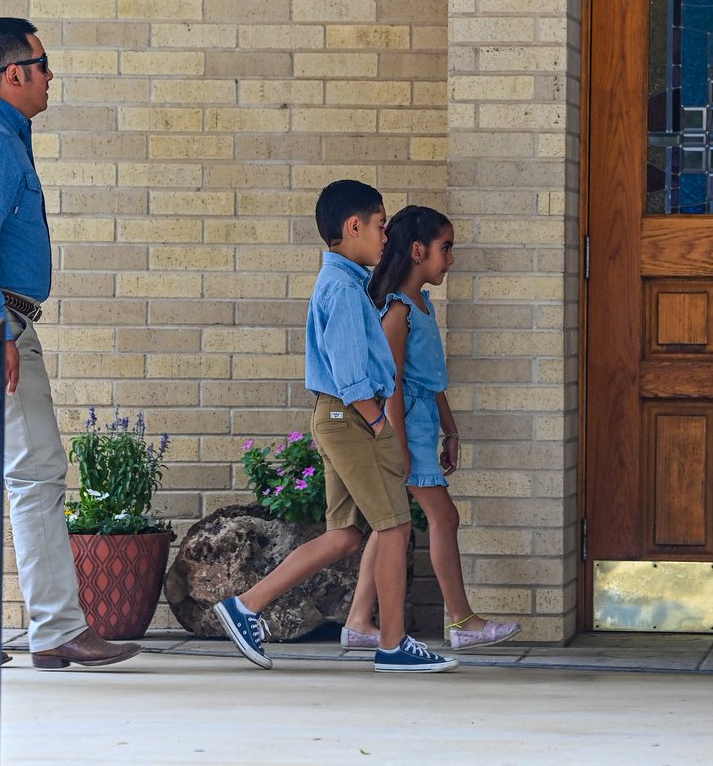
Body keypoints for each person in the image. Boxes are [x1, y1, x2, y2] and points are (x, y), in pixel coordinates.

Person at [0, 17, 139, 669]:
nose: (50, 76)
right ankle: (54, 630)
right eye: (43, 65)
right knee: (34, 473)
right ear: (13, 73)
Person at [215, 180, 457, 674]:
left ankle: (245, 607)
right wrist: (381, 426)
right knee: (395, 527)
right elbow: (351, 376)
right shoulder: (345, 289)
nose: (386, 235)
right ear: (354, 227)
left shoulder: (344, 282)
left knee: (346, 535)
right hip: (352, 418)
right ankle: (393, 645)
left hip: (340, 417)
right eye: (380, 224)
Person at [339, 206, 522, 652]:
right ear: (418, 250)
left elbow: (431, 381)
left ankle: (358, 620)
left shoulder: (422, 305)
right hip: (405, 431)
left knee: (390, 524)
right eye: (446, 248)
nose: (451, 259)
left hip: (422, 427)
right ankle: (462, 621)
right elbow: (392, 385)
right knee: (444, 517)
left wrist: (451, 430)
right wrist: (397, 445)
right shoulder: (398, 311)